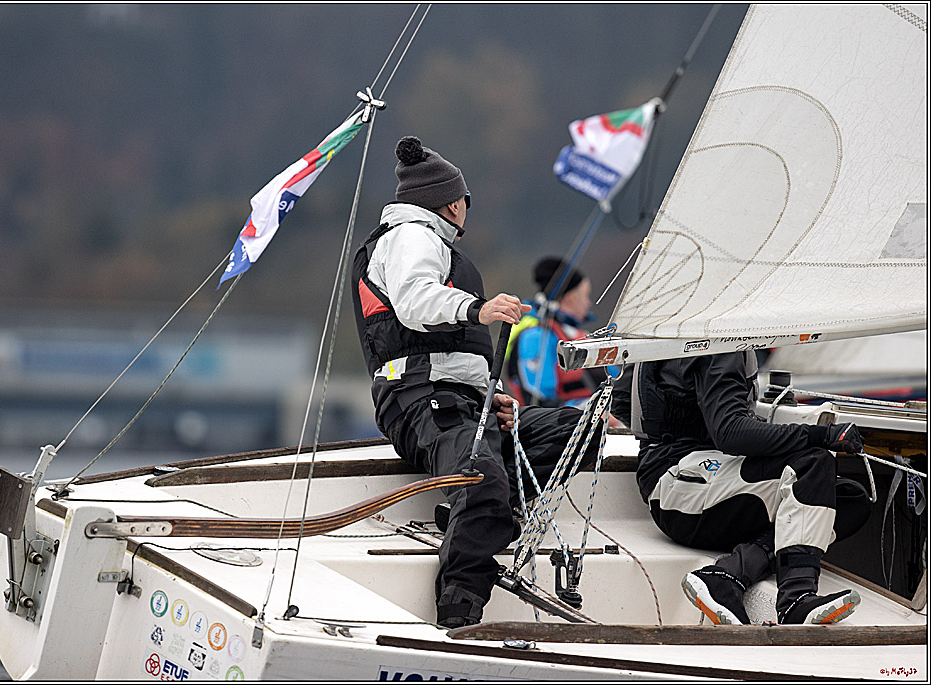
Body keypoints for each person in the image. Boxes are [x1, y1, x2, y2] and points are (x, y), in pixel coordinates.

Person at [351, 136, 591, 628]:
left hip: (462, 402)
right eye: (465, 200)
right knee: (482, 483)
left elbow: (453, 352)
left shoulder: (427, 240)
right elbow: (415, 302)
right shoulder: (412, 236)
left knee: (580, 430)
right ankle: (458, 612)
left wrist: (493, 396)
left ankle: (478, 514)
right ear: (454, 203)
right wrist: (477, 309)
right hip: (423, 400)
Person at [613, 350, 871, 625]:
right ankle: (796, 599)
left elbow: (622, 402)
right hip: (681, 486)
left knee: (848, 499)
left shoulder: (667, 337)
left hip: (671, 485)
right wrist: (823, 435)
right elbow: (730, 432)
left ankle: (729, 573)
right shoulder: (721, 345)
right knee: (813, 463)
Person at [504, 257, 610, 408]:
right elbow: (540, 399)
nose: (589, 303)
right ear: (570, 299)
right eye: (586, 296)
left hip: (590, 413)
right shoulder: (536, 337)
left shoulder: (575, 334)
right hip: (557, 419)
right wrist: (590, 409)